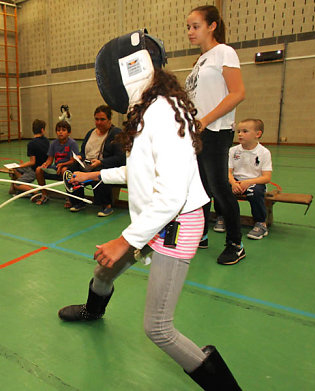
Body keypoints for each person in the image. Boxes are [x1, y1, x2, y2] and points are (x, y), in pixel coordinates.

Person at [58, 30, 241, 390]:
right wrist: (94, 174)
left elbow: (171, 195)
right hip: (154, 221)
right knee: (104, 271)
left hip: (175, 224)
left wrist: (125, 240)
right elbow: (138, 169)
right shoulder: (149, 110)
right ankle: (93, 310)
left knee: (158, 327)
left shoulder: (165, 114)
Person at [185, 5, 246, 265]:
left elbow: (237, 93)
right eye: (188, 27)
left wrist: (206, 120)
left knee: (220, 189)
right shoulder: (200, 60)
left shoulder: (224, 52)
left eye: (195, 26)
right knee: (200, 189)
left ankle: (235, 243)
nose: (190, 31)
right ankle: (201, 235)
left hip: (216, 131)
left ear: (212, 26)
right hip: (198, 133)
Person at [214, 119, 272, 240]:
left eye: (245, 131)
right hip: (236, 181)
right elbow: (228, 172)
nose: (240, 134)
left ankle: (260, 223)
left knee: (255, 192)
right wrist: (234, 183)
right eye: (239, 131)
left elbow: (266, 177)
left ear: (258, 134)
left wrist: (248, 182)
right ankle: (222, 216)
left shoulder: (264, 152)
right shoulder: (233, 150)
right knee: (221, 187)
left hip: (254, 182)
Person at [67, 105, 126, 216]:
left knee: (100, 171)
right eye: (96, 119)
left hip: (104, 165)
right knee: (71, 170)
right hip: (88, 163)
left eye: (102, 119)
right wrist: (80, 157)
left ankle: (106, 205)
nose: (99, 122)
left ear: (109, 120)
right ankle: (78, 201)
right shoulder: (90, 133)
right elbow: (83, 151)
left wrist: (101, 162)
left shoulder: (116, 133)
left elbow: (120, 158)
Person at [31, 120, 79, 205]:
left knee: (65, 171)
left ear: (69, 132)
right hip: (56, 167)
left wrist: (62, 164)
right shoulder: (53, 143)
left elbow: (73, 161)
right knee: (39, 170)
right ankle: (44, 194)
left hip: (68, 167)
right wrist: (45, 164)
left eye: (63, 130)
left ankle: (69, 196)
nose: (60, 132)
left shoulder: (72, 143)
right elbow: (50, 159)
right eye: (58, 130)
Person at [9, 119, 49, 194]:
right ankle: (23, 186)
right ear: (42, 130)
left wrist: (19, 165)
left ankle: (35, 192)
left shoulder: (32, 143)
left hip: (35, 169)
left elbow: (32, 162)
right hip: (43, 166)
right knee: (16, 169)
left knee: (16, 184)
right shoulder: (46, 141)